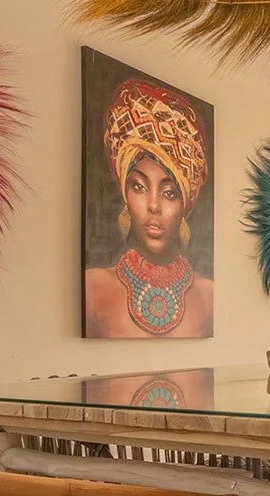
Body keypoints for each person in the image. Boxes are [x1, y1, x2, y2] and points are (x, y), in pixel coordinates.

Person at [85, 79, 214, 337]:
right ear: (125, 195)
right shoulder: (93, 288)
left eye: (169, 193)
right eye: (139, 187)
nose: (154, 206)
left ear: (185, 206)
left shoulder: (209, 295)